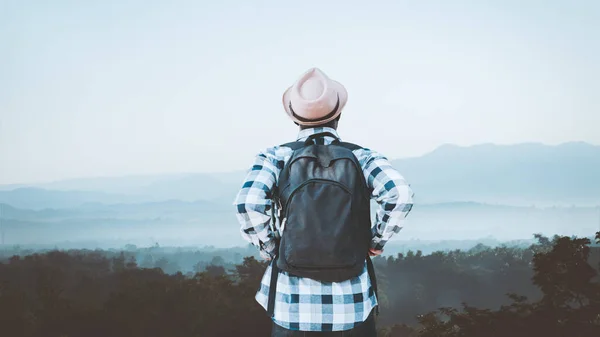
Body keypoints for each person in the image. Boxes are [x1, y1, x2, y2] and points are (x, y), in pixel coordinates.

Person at [233, 67, 414, 336]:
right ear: (338, 114)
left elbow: (247, 204)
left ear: (295, 118)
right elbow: (400, 195)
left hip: (290, 307)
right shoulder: (363, 157)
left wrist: (273, 247)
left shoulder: (275, 157)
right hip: (352, 307)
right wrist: (375, 242)